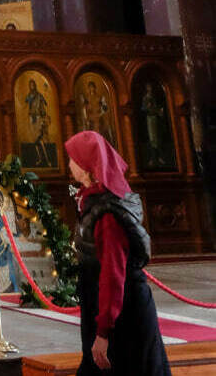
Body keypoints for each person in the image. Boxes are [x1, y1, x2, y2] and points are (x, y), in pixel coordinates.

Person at [65, 131, 170, 375]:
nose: (69, 164)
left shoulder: (108, 216)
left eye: (72, 158)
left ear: (86, 167)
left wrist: (103, 331)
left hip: (123, 317)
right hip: (109, 310)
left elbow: (112, 276)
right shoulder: (95, 202)